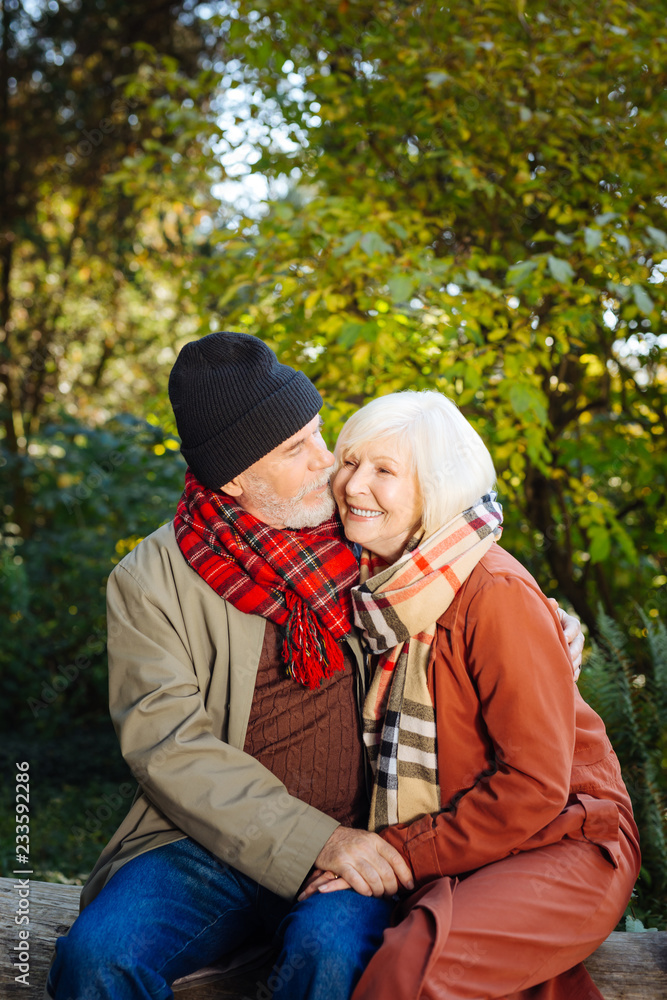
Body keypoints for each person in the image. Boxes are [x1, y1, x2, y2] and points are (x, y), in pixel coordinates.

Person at [45, 334, 584, 1000]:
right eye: (296, 450)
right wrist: (317, 842)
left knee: (328, 957)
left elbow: (463, 553)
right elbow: (168, 748)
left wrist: (549, 627)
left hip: (369, 828)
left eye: (318, 434)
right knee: (97, 958)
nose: (329, 463)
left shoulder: (361, 530)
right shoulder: (149, 580)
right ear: (235, 476)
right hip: (206, 843)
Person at [292, 389, 640, 1000]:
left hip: (567, 834)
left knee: (415, 969)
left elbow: (534, 786)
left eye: (384, 470)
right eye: (349, 461)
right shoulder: (369, 585)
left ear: (436, 489)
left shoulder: (494, 592)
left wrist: (392, 850)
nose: (352, 484)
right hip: (472, 834)